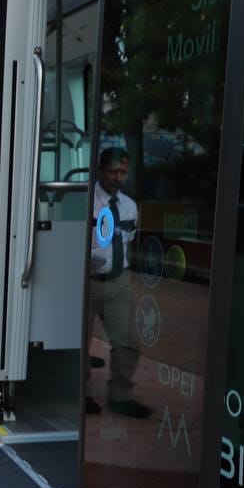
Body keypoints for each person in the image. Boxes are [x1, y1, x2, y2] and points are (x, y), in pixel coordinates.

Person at [87, 147, 150, 418]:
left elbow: (128, 240)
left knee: (127, 342)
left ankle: (121, 396)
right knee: (78, 343)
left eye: (123, 172)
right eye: (113, 171)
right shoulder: (86, 201)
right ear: (101, 170)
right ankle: (80, 394)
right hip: (87, 282)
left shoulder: (129, 206)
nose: (118, 177)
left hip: (118, 281)